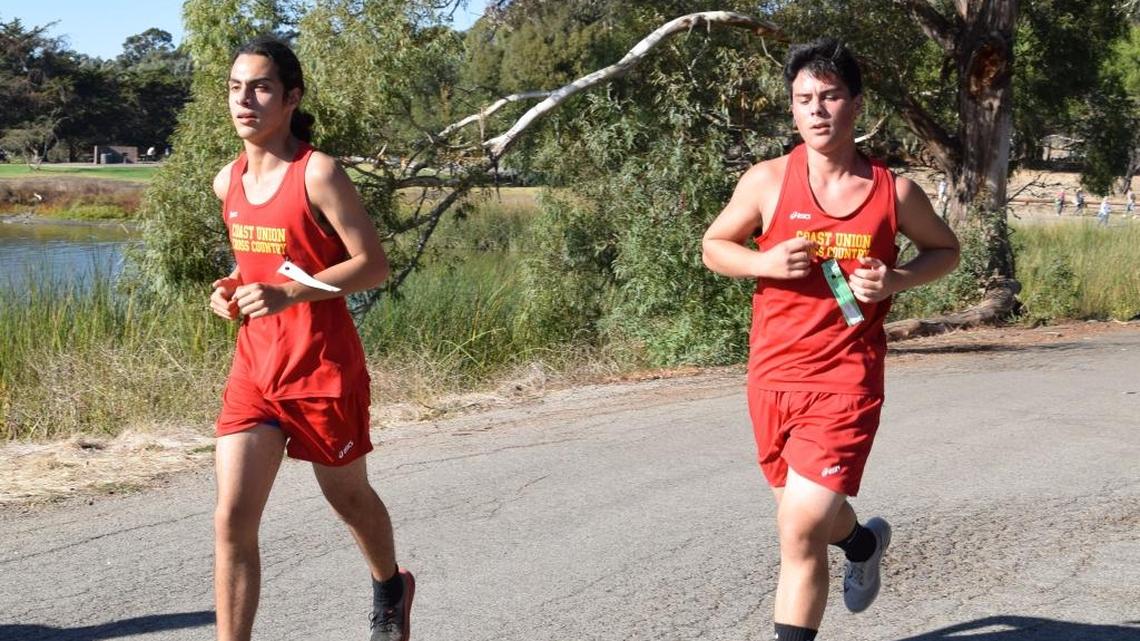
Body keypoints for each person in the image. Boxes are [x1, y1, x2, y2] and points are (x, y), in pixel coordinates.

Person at [701, 39, 960, 641]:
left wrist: (897, 278)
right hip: (772, 377)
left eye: (831, 96)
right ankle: (864, 543)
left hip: (846, 379)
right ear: (793, 109)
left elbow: (944, 250)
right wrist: (762, 263)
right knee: (804, 513)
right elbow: (714, 247)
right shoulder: (767, 181)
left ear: (856, 105)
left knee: (797, 530)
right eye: (804, 99)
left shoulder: (893, 193)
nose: (817, 110)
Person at [208, 37, 413, 641]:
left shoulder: (317, 171)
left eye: (262, 87)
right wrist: (229, 290)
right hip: (256, 369)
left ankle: (389, 588)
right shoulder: (229, 180)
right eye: (235, 87)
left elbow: (372, 266)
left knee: (348, 498)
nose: (245, 100)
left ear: (291, 97)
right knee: (232, 520)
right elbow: (254, 267)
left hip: (321, 367)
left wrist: (290, 294)